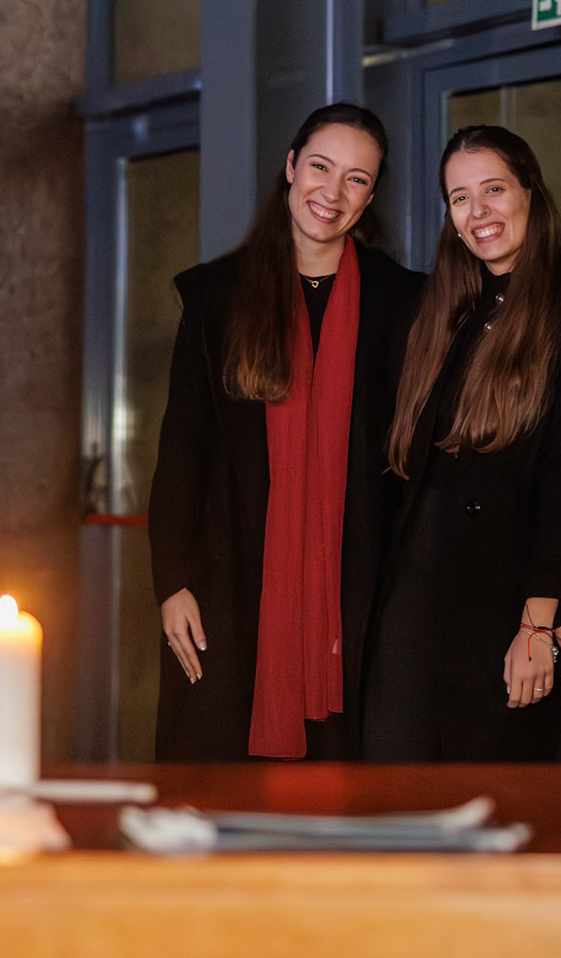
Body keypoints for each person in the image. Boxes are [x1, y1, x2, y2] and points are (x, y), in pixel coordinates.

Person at [148, 103, 424, 760]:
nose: (333, 192)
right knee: (223, 779)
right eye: (321, 167)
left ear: (370, 197)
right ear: (291, 166)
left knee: (343, 789)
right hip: (228, 584)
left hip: (358, 594)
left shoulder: (405, 303)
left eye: (357, 179)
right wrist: (172, 580)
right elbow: (182, 452)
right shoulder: (217, 297)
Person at [363, 126, 561, 760]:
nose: (478, 212)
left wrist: (538, 623)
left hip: (508, 607)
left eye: (494, 189)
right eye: (460, 198)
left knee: (498, 791)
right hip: (413, 607)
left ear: (530, 192)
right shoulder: (438, 311)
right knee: (399, 792)